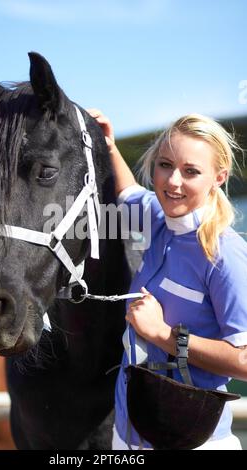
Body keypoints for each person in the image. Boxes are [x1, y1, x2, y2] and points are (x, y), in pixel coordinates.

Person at [88, 109, 247, 450]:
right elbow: (128, 192)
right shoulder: (159, 218)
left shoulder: (225, 253)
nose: (173, 182)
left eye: (191, 171)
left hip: (192, 441)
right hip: (127, 434)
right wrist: (110, 147)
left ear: (218, 177)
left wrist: (162, 334)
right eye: (165, 165)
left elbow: (244, 360)